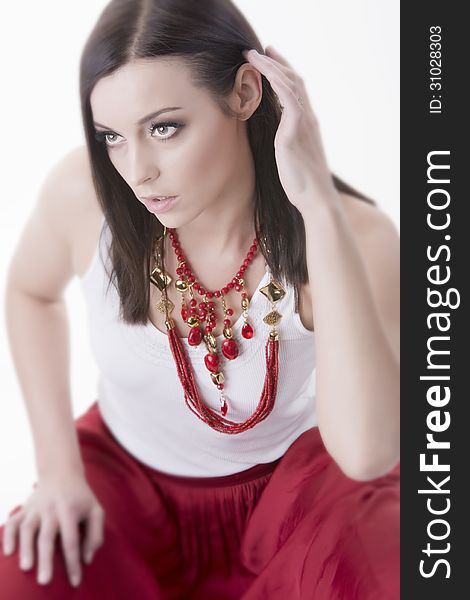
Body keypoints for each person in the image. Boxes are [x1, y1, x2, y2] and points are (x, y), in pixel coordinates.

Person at [0, 0, 400, 598]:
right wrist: (58, 470)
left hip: (300, 498)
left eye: (164, 128)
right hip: (126, 491)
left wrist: (318, 207)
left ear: (244, 93)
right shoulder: (86, 194)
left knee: (383, 572)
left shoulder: (355, 237)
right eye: (112, 137)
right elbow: (30, 292)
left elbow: (369, 455)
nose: (138, 171)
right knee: (23, 575)